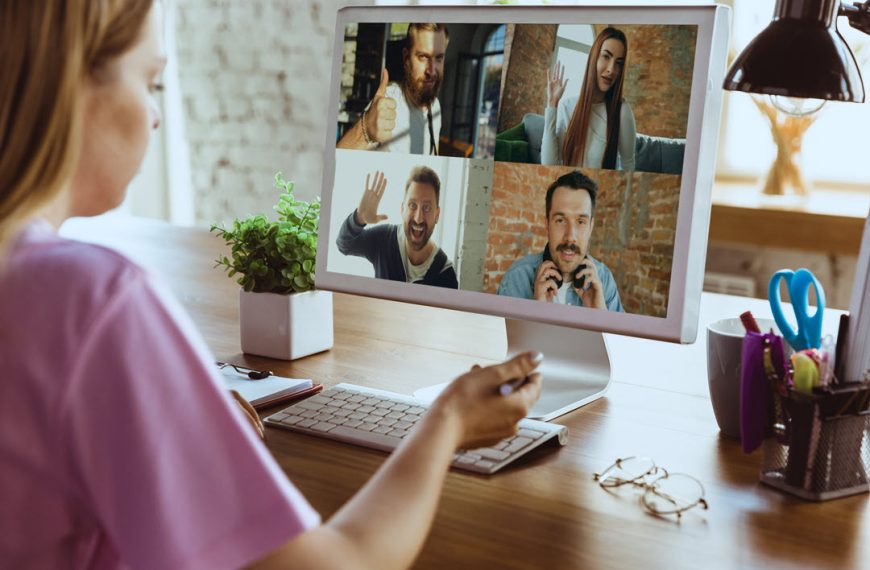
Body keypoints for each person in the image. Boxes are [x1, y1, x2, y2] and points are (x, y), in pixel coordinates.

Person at [0, 2, 542, 569]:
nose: (155, 117)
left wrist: (186, 437)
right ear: (69, 86)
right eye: (150, 83)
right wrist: (448, 420)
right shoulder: (91, 303)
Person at [497, 170, 623, 311]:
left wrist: (601, 314)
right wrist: (537, 310)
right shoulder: (517, 278)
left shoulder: (604, 280)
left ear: (591, 227)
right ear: (547, 224)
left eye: (581, 222)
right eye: (560, 220)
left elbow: (618, 333)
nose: (570, 236)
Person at [336, 166, 458, 288]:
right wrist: (358, 219)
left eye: (426, 208)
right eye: (412, 205)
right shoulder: (384, 239)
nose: (418, 218)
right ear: (402, 209)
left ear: (437, 215)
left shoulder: (447, 276)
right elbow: (344, 245)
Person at [337, 23, 448, 155]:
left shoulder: (435, 107)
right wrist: (365, 129)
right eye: (423, 57)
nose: (432, 71)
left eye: (439, 58)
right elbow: (335, 164)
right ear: (406, 57)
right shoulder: (388, 101)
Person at [541, 27, 636, 171]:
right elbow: (549, 166)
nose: (611, 69)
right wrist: (552, 104)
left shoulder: (621, 111)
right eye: (606, 56)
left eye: (619, 63)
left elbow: (628, 166)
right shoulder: (567, 106)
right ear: (594, 58)